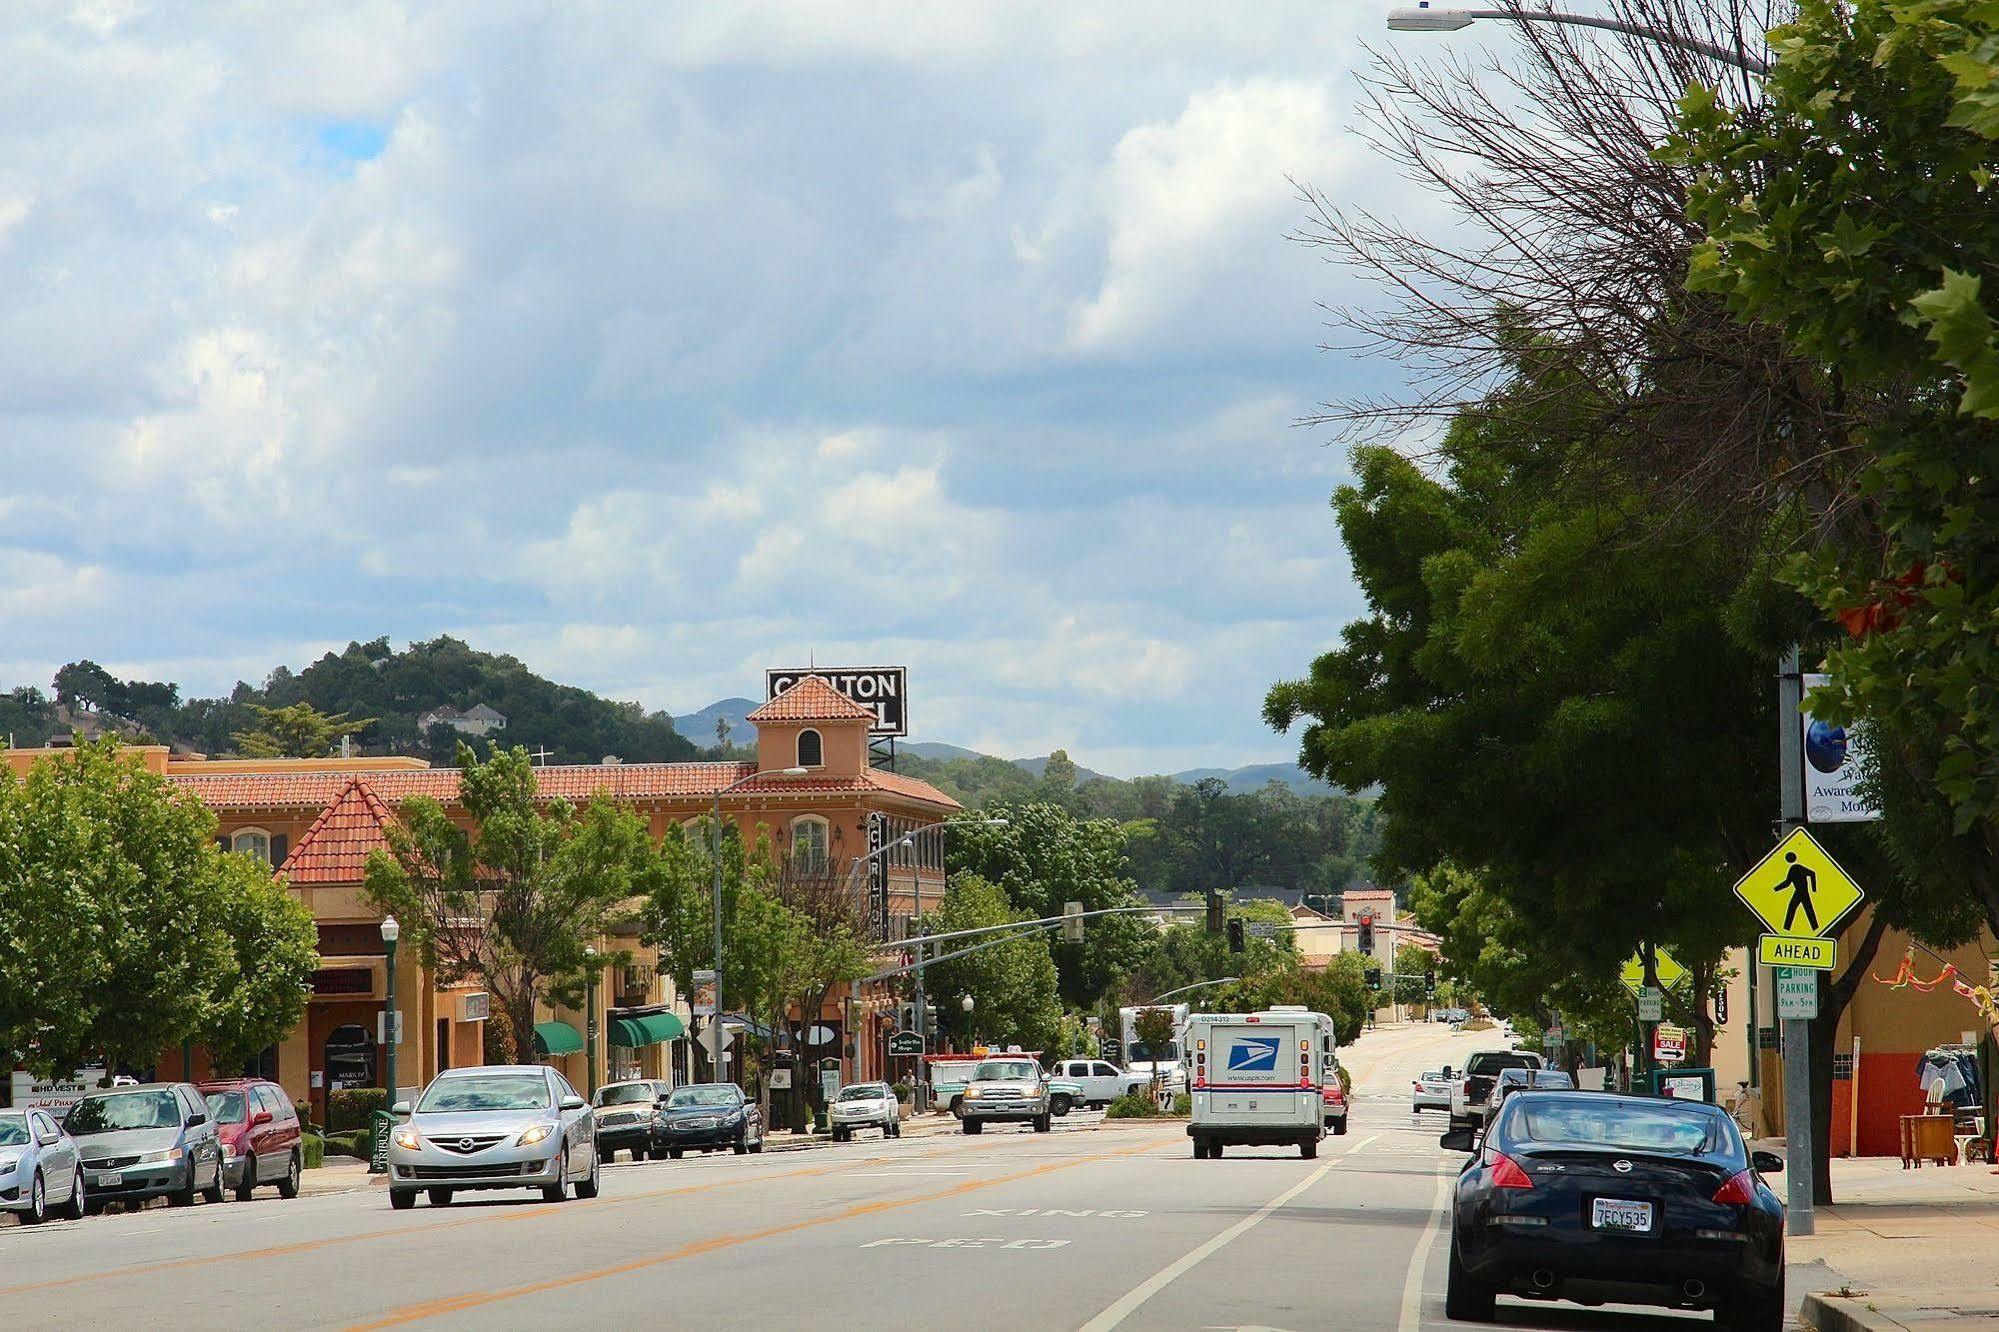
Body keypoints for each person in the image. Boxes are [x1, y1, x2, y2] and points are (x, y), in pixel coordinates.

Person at [1779, 852, 1820, 933]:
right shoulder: (1793, 868)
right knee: (1800, 909)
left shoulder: (1797, 867)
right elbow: (1787, 883)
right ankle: (1786, 929)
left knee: (1804, 909)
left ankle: (1787, 929)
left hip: (1803, 892)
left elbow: (1812, 873)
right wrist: (1775, 889)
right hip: (1799, 892)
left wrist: (1814, 889)